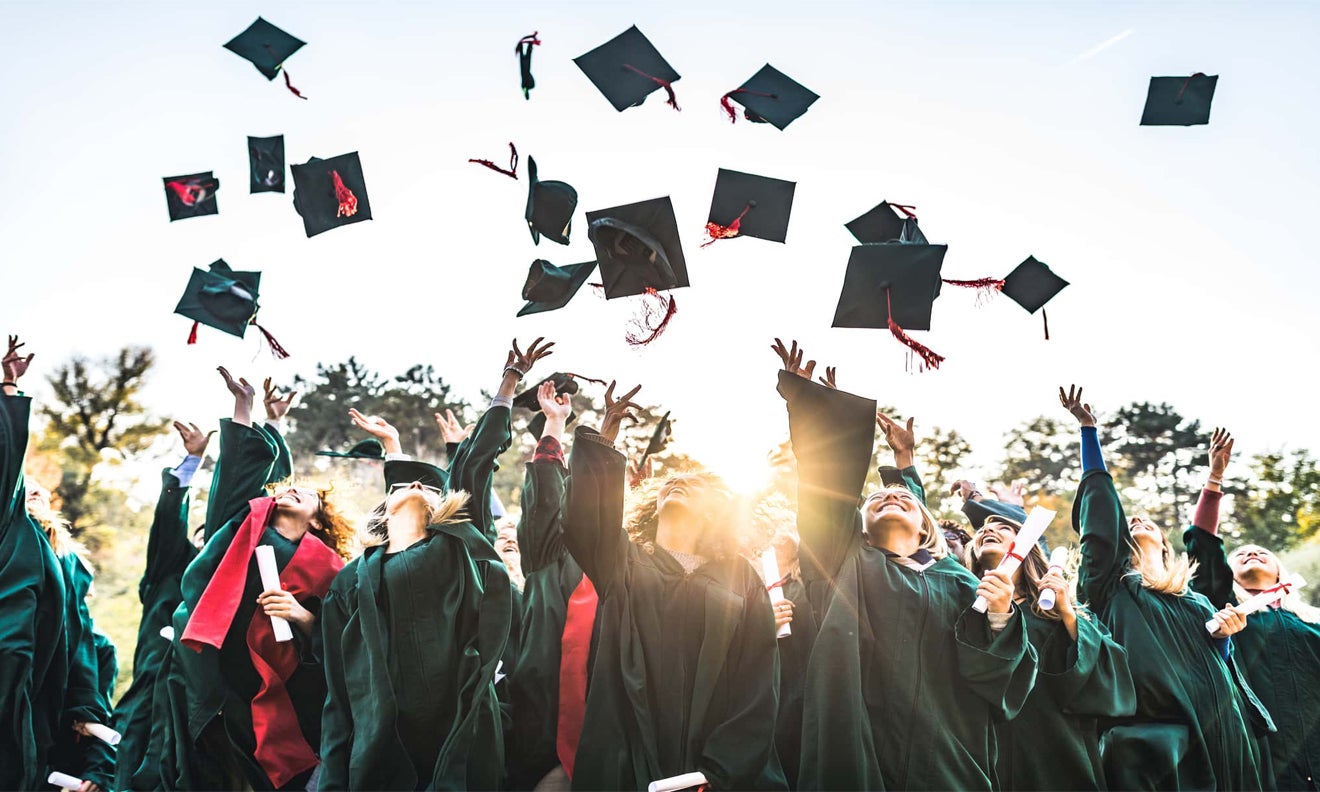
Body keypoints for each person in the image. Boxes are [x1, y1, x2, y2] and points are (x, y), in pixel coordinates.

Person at [775, 339, 1036, 791]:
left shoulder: (958, 582)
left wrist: (999, 616)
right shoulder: (843, 563)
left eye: (902, 497)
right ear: (858, 523)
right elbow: (825, 492)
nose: (889, 495)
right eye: (875, 497)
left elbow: (998, 683)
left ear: (925, 526)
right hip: (860, 751)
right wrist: (814, 411)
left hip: (949, 754)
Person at [319, 338, 549, 790]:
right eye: (408, 485)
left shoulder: (457, 549)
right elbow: (338, 683)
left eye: (430, 488)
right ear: (383, 507)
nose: (419, 487)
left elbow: (475, 466)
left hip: (459, 724)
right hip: (383, 730)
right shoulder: (353, 580)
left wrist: (509, 384)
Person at [562, 376, 786, 790]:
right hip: (628, 751)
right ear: (654, 506)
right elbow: (584, 520)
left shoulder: (740, 576)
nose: (677, 482)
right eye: (669, 483)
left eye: (694, 484)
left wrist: (718, 770)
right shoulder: (622, 560)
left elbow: (759, 678)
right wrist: (605, 440)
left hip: (716, 764)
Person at [1060, 385, 1273, 790]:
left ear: (1163, 541)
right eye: (1131, 522)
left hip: (1223, 732)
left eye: (1148, 522)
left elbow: (1217, 663)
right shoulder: (1111, 587)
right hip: (1158, 746)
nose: (1137, 521)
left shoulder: (1195, 599)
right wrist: (1089, 433)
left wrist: (1226, 637)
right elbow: (1102, 521)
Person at [157, 370, 352, 790]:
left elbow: (347, 638)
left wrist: (303, 617)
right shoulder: (243, 526)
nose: (290, 491)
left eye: (306, 493)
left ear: (319, 520)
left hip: (275, 693)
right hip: (209, 671)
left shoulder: (332, 569)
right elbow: (236, 475)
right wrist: (244, 406)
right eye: (286, 488)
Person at [1183, 427, 1320, 791]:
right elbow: (1204, 546)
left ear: (1280, 573)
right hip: (1258, 751)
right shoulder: (1224, 609)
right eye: (1240, 553)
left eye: (1262, 552)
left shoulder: (1312, 623)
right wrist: (1214, 479)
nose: (1251, 552)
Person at [964, 513, 1136, 790]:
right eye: (982, 529)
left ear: (1028, 547)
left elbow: (1112, 678)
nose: (988, 530)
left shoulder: (1055, 611)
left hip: (1056, 749)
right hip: (984, 750)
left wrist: (1068, 616)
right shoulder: (962, 609)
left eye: (1003, 527)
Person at [112, 420, 210, 791]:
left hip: (201, 705)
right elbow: (169, 522)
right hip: (147, 700)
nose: (207, 542)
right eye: (202, 536)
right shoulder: (170, 570)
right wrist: (193, 461)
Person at [0, 336, 76, 791]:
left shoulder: (56, 561)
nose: (29, 492)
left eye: (38, 493)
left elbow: (79, 644)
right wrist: (8, 390)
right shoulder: (10, 529)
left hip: (28, 687)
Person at [27, 480, 115, 792]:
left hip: (56, 733)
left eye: (41, 488)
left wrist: (96, 772)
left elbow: (99, 707)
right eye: (26, 487)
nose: (36, 491)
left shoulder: (97, 648)